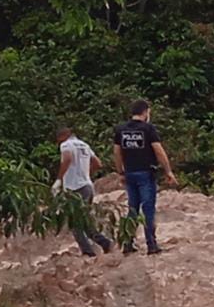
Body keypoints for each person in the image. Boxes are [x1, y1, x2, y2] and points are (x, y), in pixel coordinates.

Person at [113, 99, 178, 255]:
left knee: (132, 208)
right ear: (145, 111)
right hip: (145, 173)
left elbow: (116, 152)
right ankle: (151, 244)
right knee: (148, 209)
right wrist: (168, 171)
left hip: (130, 173)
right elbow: (158, 150)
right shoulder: (148, 129)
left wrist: (120, 172)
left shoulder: (121, 129)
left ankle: (128, 242)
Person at [54, 127, 113, 257]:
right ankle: (105, 243)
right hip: (87, 186)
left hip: (75, 189)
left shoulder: (66, 145)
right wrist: (87, 174)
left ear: (62, 136)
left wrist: (59, 179)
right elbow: (98, 163)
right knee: (85, 220)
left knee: (75, 224)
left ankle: (88, 252)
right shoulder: (84, 145)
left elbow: (67, 159)